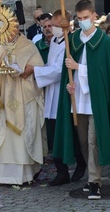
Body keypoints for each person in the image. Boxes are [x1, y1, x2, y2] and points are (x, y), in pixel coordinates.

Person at [54, 0, 110, 200]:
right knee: (83, 141)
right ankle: (90, 178)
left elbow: (103, 73)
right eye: (79, 19)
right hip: (78, 98)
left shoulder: (103, 41)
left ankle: (95, 181)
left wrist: (79, 68)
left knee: (93, 140)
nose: (83, 21)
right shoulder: (74, 39)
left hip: (96, 99)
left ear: (94, 16)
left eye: (86, 18)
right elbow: (67, 73)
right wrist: (69, 85)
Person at [0, 11, 46, 185]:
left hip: (23, 94)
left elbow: (38, 66)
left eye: (13, 27)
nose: (10, 31)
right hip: (0, 97)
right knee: (2, 136)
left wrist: (27, 69)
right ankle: (2, 176)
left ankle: (25, 174)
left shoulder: (27, 45)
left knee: (22, 136)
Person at [34, 10, 86, 186]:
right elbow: (51, 66)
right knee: (53, 132)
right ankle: (61, 171)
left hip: (64, 91)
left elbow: (59, 71)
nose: (53, 29)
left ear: (67, 25)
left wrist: (35, 72)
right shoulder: (55, 41)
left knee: (69, 131)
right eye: (52, 25)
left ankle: (81, 163)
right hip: (51, 92)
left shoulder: (70, 43)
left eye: (56, 25)